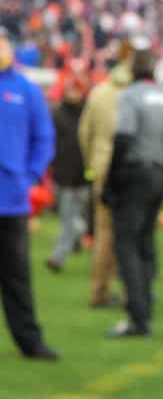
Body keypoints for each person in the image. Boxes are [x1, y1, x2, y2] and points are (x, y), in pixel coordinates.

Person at [103, 44, 163, 337]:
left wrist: (110, 182)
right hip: (158, 173)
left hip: (134, 173)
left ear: (133, 69)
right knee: (147, 241)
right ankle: (146, 304)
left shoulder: (132, 97)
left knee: (126, 244)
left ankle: (137, 317)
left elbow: (122, 139)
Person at [0, 27, 58, 360]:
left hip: (11, 200)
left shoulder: (27, 90)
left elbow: (44, 138)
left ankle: (29, 340)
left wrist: (31, 175)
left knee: (17, 277)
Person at [78, 38, 133, 308]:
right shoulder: (136, 94)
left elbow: (84, 134)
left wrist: (92, 165)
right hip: (131, 173)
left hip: (102, 170)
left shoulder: (99, 93)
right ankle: (130, 294)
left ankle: (99, 292)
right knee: (131, 236)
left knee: (104, 236)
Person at [45, 76, 90, 273]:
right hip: (61, 175)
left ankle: (57, 257)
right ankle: (79, 235)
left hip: (82, 176)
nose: (74, 94)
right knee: (70, 219)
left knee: (67, 219)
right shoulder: (56, 114)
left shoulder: (88, 114)